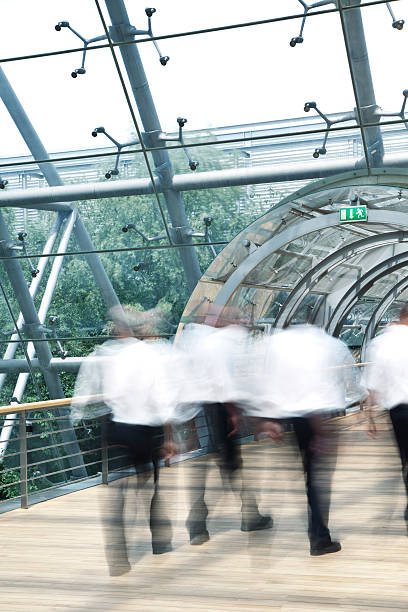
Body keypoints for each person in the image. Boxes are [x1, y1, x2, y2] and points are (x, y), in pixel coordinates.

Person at [72, 306, 173, 576]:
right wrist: (170, 438)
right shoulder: (149, 355)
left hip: (115, 428)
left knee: (117, 492)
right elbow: (163, 398)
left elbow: (85, 389)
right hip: (144, 431)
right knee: (149, 487)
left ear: (118, 328)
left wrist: (79, 414)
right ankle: (160, 541)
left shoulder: (104, 353)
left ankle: (118, 557)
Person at [255, 324, 362, 556]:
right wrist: (322, 433)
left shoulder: (279, 346)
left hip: (290, 418)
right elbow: (327, 386)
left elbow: (269, 382)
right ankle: (319, 538)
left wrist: (269, 418)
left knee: (309, 478)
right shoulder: (324, 346)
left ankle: (317, 534)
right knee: (317, 480)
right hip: (314, 418)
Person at [175, 304, 272, 545]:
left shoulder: (190, 340)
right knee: (231, 464)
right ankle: (247, 515)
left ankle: (199, 523)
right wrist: (233, 412)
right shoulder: (214, 343)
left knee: (203, 466)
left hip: (193, 408)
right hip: (214, 408)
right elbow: (222, 380)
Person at [363, 303, 408, 524]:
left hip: (398, 411)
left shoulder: (382, 342)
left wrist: (369, 416)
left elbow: (373, 382)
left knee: (405, 458)